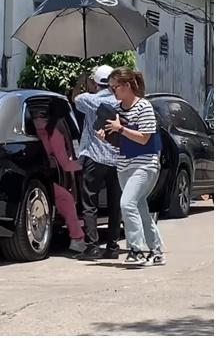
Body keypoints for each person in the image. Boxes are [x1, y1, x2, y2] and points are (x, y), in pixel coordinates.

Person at [97, 66, 165, 266]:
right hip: (124, 164)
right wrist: (106, 136)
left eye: (115, 87)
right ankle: (156, 251)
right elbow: (119, 141)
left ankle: (136, 250)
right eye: (110, 88)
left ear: (127, 85)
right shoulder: (116, 110)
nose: (112, 91)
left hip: (145, 164)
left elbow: (144, 138)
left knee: (127, 204)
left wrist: (121, 128)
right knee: (140, 208)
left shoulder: (144, 107)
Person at [71, 65, 123, 260]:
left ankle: (92, 247)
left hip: (94, 157)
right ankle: (113, 247)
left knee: (90, 203)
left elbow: (75, 98)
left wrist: (81, 82)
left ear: (95, 83)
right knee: (115, 204)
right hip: (117, 159)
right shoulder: (120, 101)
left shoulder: (89, 100)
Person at [33, 97, 86, 253]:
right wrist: (84, 165)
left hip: (33, 175)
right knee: (67, 199)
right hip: (43, 178)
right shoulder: (54, 132)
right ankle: (77, 239)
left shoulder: (33, 127)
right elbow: (65, 164)